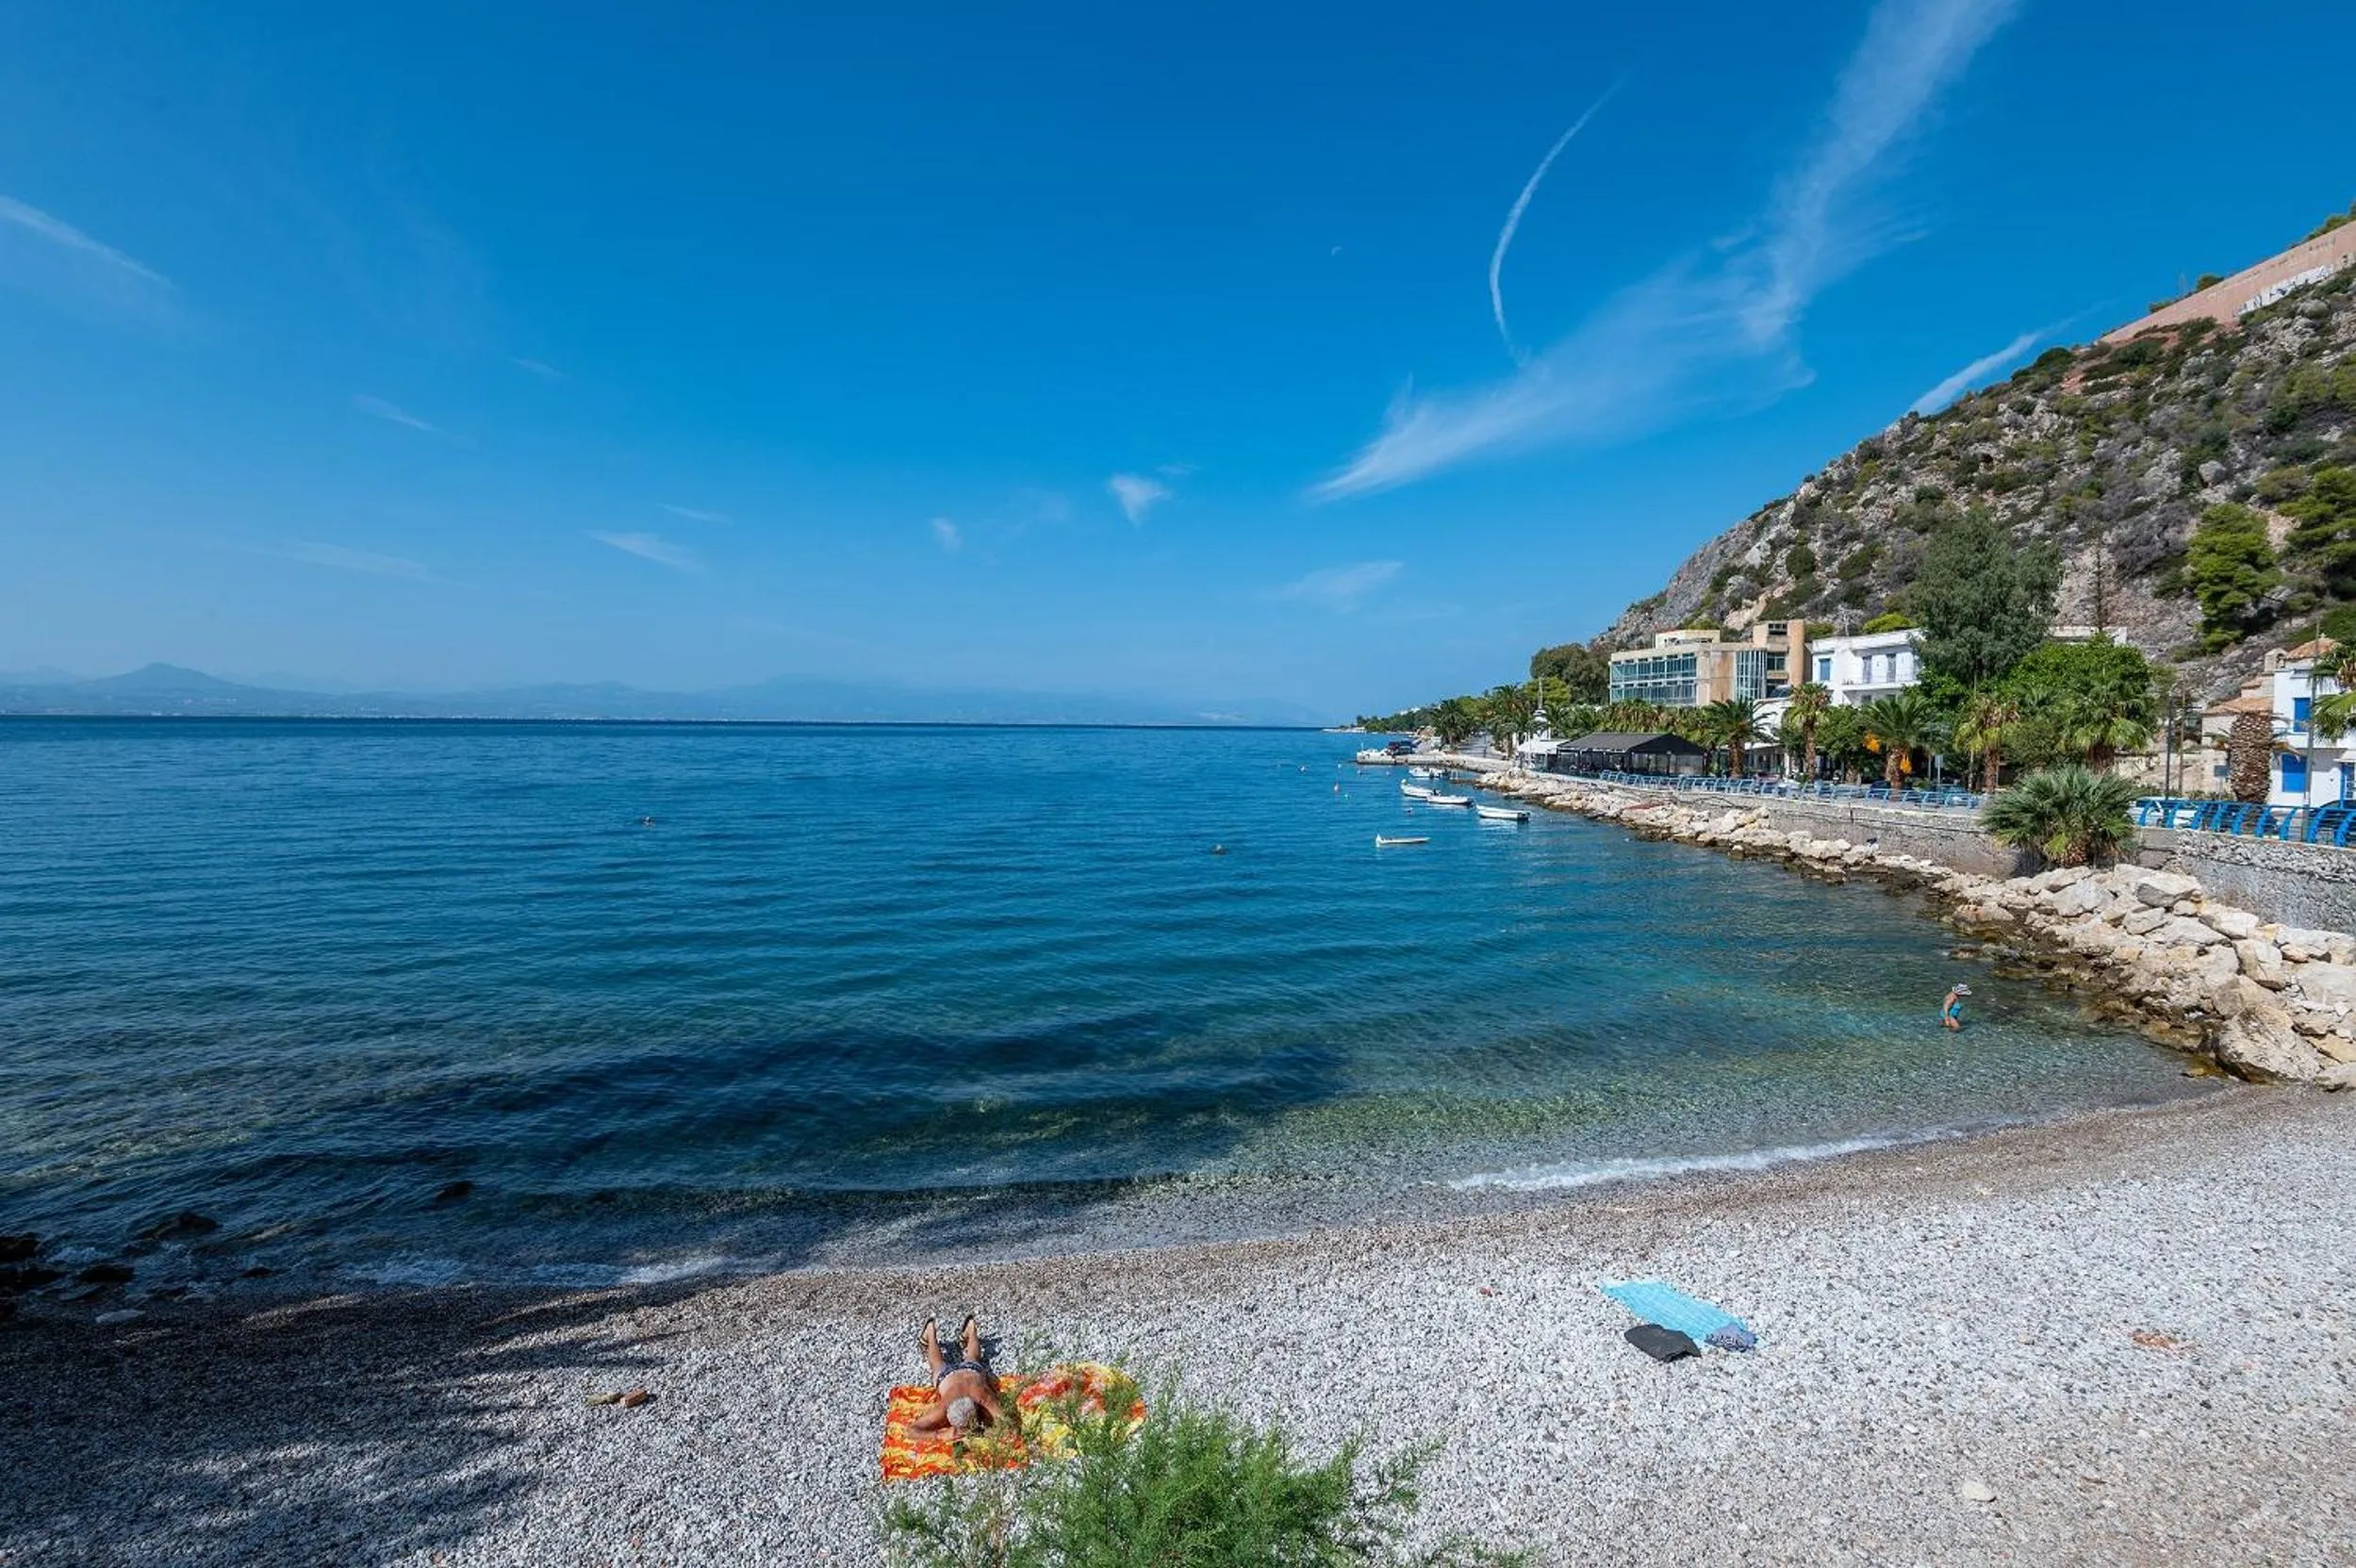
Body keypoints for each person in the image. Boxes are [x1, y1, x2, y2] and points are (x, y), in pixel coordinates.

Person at [911, 1313, 1008, 1438]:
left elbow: (913, 1430)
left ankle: (931, 1333)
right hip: (967, 1372)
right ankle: (971, 1330)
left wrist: (940, 1435)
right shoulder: (981, 1398)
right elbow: (912, 1431)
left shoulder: (982, 1398)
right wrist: (940, 1435)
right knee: (969, 1358)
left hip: (953, 1376)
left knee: (938, 1364)